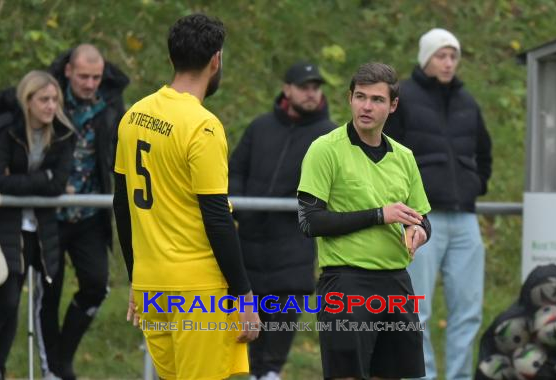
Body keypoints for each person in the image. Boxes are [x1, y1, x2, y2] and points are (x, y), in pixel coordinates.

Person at [113, 14, 260, 380]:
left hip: (152, 287)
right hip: (197, 292)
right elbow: (216, 217)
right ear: (216, 60)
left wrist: (136, 278)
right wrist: (244, 295)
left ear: (171, 58)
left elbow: (122, 204)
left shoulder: (134, 115)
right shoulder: (202, 126)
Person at [297, 62, 432, 380]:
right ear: (350, 98)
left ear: (393, 105)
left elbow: (422, 218)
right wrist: (378, 215)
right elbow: (309, 221)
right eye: (361, 97)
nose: (367, 106)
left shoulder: (404, 157)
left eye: (377, 99)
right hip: (346, 283)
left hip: (396, 282)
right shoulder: (325, 149)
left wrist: (419, 231)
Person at [383, 28, 492, 380]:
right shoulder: (404, 98)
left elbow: (484, 151)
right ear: (425, 58)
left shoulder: (467, 101)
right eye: (441, 56)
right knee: (418, 310)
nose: (448, 63)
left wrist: (476, 184)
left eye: (453, 56)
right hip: (421, 219)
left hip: (465, 219)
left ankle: (460, 376)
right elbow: (386, 155)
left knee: (469, 310)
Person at [229, 61, 336, 380]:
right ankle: (253, 371)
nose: (311, 93)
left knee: (283, 314)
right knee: (250, 317)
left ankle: (272, 371)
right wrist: (241, 207)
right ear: (287, 89)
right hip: (249, 241)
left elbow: (332, 185)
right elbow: (236, 168)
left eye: (315, 88)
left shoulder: (329, 136)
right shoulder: (260, 127)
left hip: (292, 243)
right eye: (304, 87)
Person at [34, 44, 129, 380]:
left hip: (90, 212)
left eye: (96, 77)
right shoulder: (47, 97)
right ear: (69, 72)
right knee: (49, 291)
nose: (90, 84)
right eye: (84, 76)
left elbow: (124, 145)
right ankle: (52, 371)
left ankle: (61, 358)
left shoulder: (111, 104)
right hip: (49, 213)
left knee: (97, 285)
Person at [0, 71, 75, 380]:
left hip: (44, 230)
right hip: (9, 228)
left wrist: (25, 182)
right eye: (44, 99)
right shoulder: (7, 132)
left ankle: (51, 370)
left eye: (55, 99)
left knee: (46, 301)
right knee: (8, 301)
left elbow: (58, 182)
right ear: (27, 101)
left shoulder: (64, 134)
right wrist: (41, 179)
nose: (51, 106)